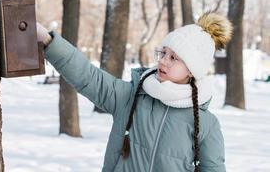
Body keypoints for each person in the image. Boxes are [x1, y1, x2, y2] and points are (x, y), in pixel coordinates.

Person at [37, 11, 232, 172]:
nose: (163, 60)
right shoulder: (130, 97)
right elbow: (89, 77)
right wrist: (48, 41)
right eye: (163, 53)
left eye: (174, 58)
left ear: (191, 69)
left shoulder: (206, 124)